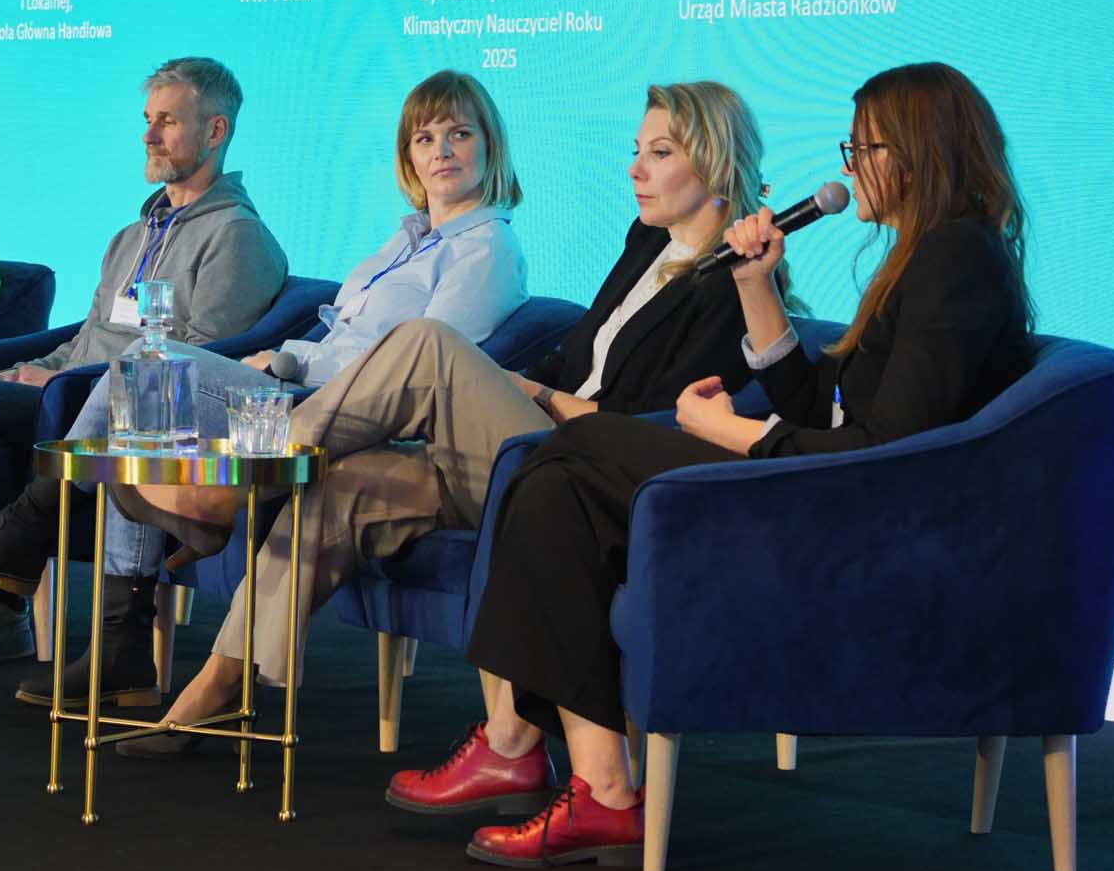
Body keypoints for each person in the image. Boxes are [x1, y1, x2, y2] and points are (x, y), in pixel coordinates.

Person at [406, 61, 1035, 868]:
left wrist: (732, 431)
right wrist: (756, 284)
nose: (850, 168)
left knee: (571, 450)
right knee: (557, 477)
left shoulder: (956, 260)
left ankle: (529, 748)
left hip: (854, 515)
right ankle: (598, 787)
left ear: (919, 152)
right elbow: (821, 405)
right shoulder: (925, 254)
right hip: (825, 482)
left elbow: (882, 448)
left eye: (865, 148)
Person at [107, 81, 782, 754]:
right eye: (636, 150)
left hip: (589, 467)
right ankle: (217, 690)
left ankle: (244, 479)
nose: (633, 169)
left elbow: (661, 427)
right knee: (341, 485)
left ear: (715, 159)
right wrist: (532, 384)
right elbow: (575, 360)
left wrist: (538, 396)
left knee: (425, 342)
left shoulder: (736, 284)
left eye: (659, 153)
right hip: (526, 448)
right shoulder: (646, 245)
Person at [0, 69, 531, 710]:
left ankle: (35, 537)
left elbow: (419, 369)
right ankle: (117, 640)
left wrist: (292, 360)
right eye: (424, 138)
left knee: (145, 369)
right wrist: (286, 358)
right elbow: (345, 335)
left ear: (489, 145)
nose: (441, 152)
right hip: (300, 388)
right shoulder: (406, 240)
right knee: (142, 394)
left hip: (348, 414)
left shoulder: (486, 249)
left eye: (458, 134)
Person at [0, 56, 288, 663]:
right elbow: (89, 334)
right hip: (66, 387)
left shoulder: (237, 235)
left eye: (168, 122)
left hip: (118, 410)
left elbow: (199, 361)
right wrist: (38, 367)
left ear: (215, 131)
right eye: (147, 119)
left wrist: (58, 381)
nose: (149, 135)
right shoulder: (133, 236)